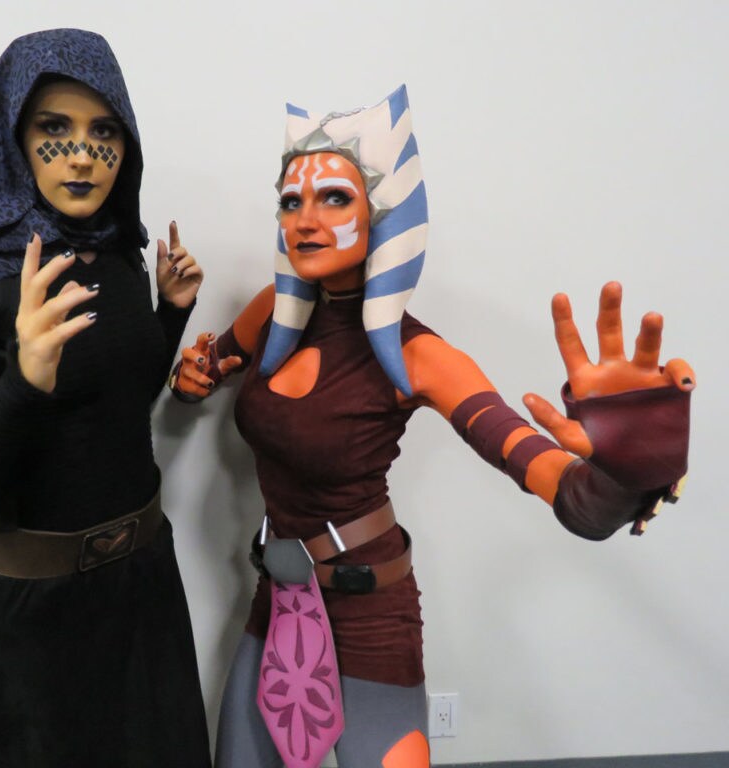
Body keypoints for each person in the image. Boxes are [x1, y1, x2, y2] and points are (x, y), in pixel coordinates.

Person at [171, 86, 693, 768]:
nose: (304, 218)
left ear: (382, 213)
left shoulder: (420, 357)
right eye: (291, 200)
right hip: (279, 599)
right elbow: (209, 371)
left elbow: (571, 497)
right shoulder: (274, 313)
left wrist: (626, 466)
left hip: (369, 613)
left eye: (333, 198)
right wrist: (195, 375)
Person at [0, 29, 211, 767]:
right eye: (53, 128)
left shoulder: (117, 253)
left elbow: (115, 404)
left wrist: (170, 313)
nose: (79, 154)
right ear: (10, 137)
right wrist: (22, 385)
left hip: (141, 595)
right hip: (29, 630)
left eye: (103, 132)